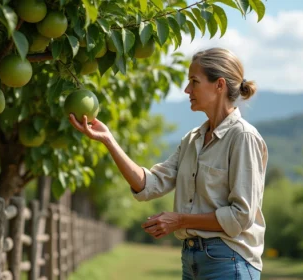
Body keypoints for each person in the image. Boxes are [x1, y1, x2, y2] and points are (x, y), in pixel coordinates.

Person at [69, 48, 268, 279]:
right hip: (192, 259)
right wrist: (108, 139)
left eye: (194, 82)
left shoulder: (243, 137)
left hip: (229, 261)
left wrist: (179, 220)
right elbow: (149, 185)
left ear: (219, 85)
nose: (187, 90)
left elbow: (240, 217)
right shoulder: (192, 139)